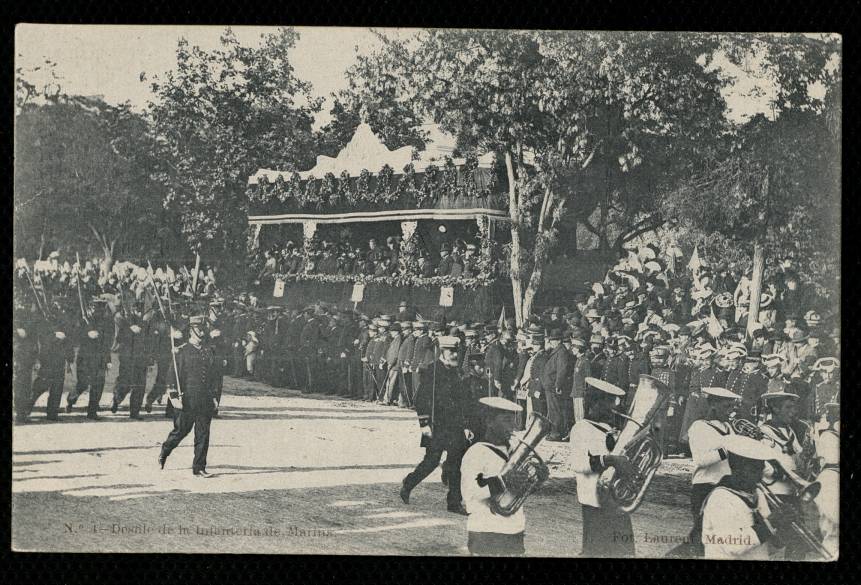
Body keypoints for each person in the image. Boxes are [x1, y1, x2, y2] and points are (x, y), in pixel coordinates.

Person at [400, 335, 473, 515]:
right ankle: (408, 483)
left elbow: (462, 402)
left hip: (454, 426)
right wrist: (424, 424)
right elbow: (420, 400)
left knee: (456, 463)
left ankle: (454, 503)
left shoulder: (456, 373)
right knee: (431, 461)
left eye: (457, 351)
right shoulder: (432, 372)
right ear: (442, 352)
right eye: (451, 351)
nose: (455, 355)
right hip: (436, 425)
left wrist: (466, 425)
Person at [569, 377, 636, 558]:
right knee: (596, 552)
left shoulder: (612, 430)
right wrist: (608, 460)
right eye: (607, 402)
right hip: (594, 501)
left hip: (616, 500)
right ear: (593, 404)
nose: (612, 408)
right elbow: (577, 463)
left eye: (612, 402)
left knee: (624, 552)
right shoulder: (581, 428)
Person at [671, 386, 740, 558]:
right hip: (705, 487)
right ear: (714, 405)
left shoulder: (729, 427)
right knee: (702, 537)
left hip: (726, 488)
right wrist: (728, 450)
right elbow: (700, 460)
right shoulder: (699, 427)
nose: (730, 412)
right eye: (727, 407)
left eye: (732, 407)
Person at [700, 434, 792, 560]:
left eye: (761, 468)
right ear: (737, 468)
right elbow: (733, 546)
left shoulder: (757, 494)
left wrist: (783, 528)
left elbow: (764, 547)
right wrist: (771, 523)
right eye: (754, 469)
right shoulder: (720, 498)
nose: (760, 476)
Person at [460, 397, 528, 556]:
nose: (513, 427)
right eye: (506, 420)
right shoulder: (476, 452)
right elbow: (470, 493)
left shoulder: (513, 452)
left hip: (514, 528)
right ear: (489, 422)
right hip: (487, 531)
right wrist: (503, 481)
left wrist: (533, 479)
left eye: (514, 420)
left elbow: (517, 492)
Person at [158, 316, 218, 477]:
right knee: (181, 431)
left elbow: (212, 376)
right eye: (198, 329)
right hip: (188, 398)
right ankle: (166, 449)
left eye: (202, 328)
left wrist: (213, 397)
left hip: (204, 398)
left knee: (203, 434)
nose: (201, 331)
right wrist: (174, 396)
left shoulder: (207, 350)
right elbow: (172, 376)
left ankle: (199, 467)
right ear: (191, 331)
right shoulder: (182, 351)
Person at [541, 329, 571, 441]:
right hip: (550, 386)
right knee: (553, 410)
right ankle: (554, 431)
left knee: (555, 410)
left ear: (559, 341)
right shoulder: (557, 351)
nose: (551, 342)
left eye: (553, 340)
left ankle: (556, 433)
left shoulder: (561, 352)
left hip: (554, 386)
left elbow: (561, 370)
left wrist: (558, 385)